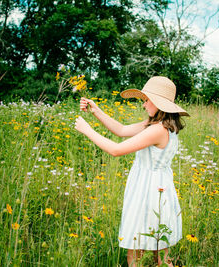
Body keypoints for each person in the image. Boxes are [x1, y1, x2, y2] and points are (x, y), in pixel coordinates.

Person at [74, 76, 189, 267]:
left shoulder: (157, 130)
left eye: (146, 100)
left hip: (149, 192)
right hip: (157, 188)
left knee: (137, 253)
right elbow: (121, 129)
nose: (143, 105)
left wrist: (87, 130)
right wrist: (96, 111)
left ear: (159, 103)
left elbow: (116, 150)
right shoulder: (162, 125)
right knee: (158, 253)